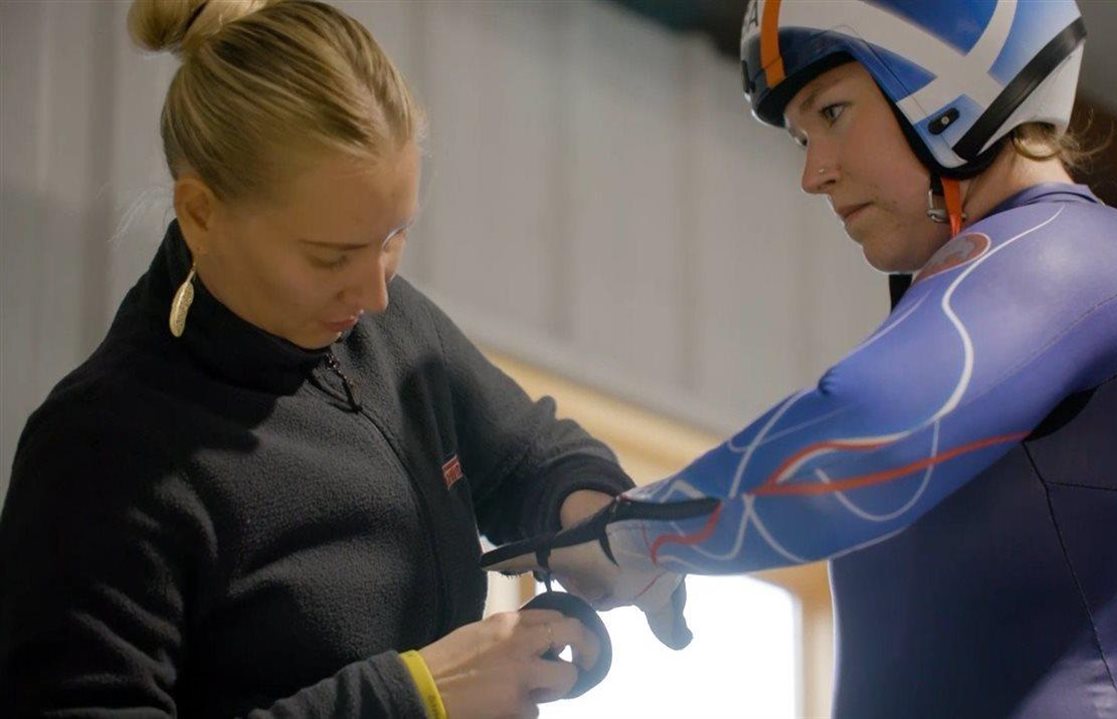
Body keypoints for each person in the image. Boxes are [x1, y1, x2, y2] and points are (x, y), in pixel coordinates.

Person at [484, 1, 1117, 717]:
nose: (814, 174)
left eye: (833, 114)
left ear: (950, 72)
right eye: (803, 139)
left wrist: (636, 534)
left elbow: (861, 437)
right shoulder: (996, 301)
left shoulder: (1090, 259)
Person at [0, 1, 689, 717]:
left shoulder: (386, 331)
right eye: (331, 256)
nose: (376, 294)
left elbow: (529, 456)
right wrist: (417, 695)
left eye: (393, 237)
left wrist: (597, 522)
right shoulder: (103, 452)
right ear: (202, 212)